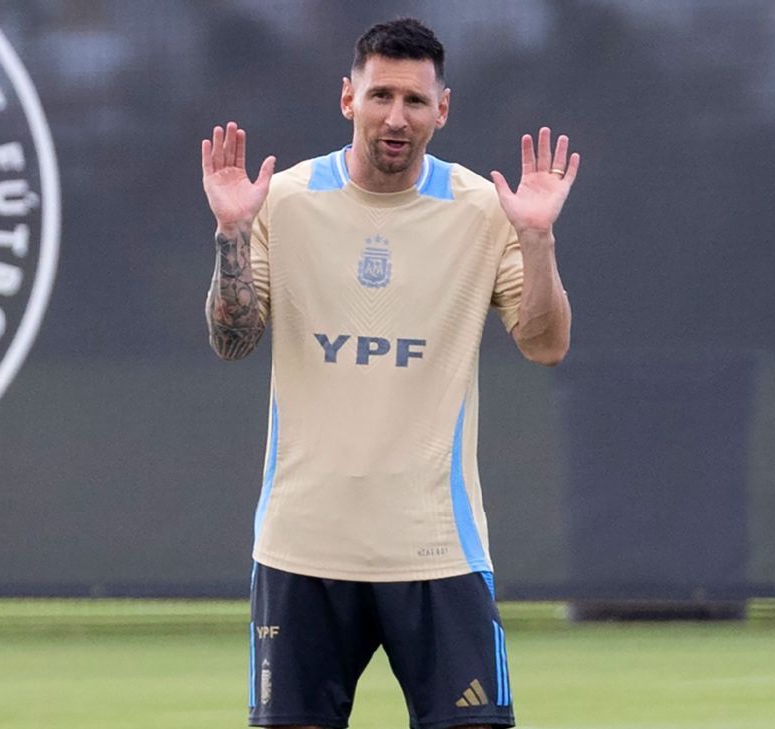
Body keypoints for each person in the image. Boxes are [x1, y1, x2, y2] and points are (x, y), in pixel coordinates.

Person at [201, 17, 576, 729]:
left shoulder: (483, 209)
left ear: (443, 109)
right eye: (380, 96)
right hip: (303, 546)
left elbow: (545, 344)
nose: (396, 117)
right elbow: (232, 339)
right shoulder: (283, 199)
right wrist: (231, 233)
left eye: (414, 100)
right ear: (349, 99)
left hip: (436, 547)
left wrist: (537, 238)